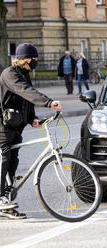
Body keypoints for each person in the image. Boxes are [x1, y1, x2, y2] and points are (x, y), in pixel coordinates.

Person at [0, 43, 61, 219]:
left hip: (15, 125)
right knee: (4, 155)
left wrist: (32, 118)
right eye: (34, 59)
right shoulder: (9, 74)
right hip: (2, 125)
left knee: (13, 160)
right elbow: (24, 91)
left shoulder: (24, 74)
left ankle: (7, 200)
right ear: (24, 59)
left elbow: (25, 101)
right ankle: (0, 196)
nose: (36, 62)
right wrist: (49, 102)